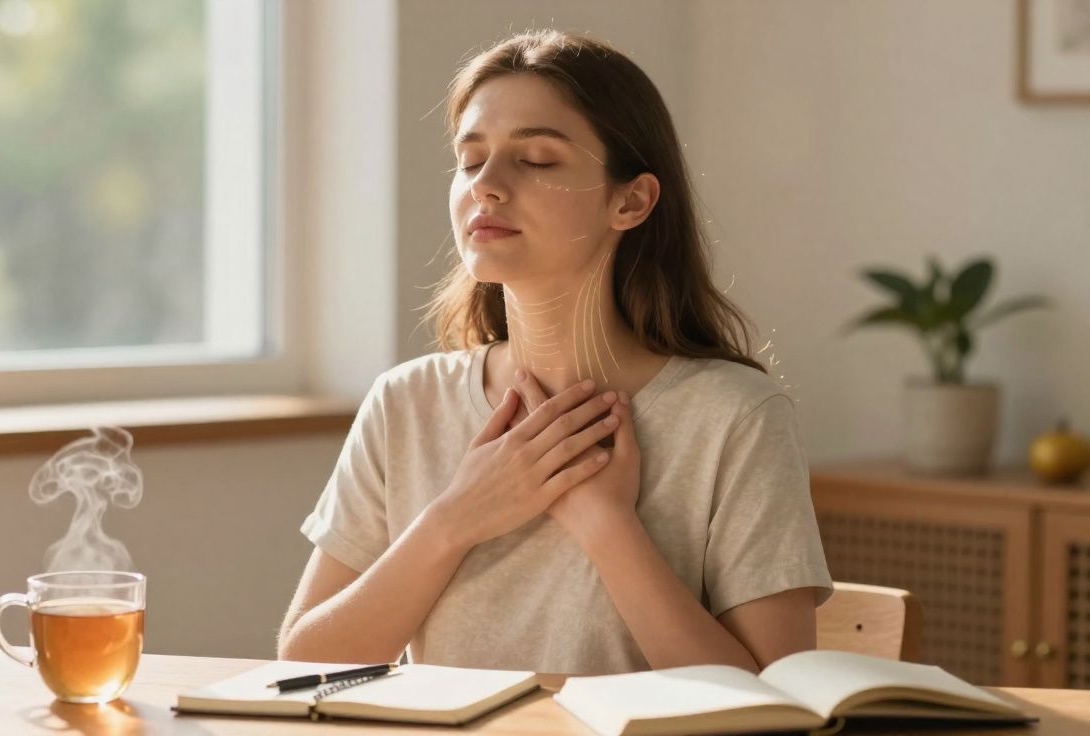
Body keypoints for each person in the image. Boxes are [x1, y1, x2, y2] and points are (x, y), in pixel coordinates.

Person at [277, 28, 833, 676]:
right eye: (470, 160)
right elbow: (301, 667)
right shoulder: (406, 403)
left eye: (537, 159)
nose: (486, 186)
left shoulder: (736, 418)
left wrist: (607, 526)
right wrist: (455, 518)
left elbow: (776, 705)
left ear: (631, 200)